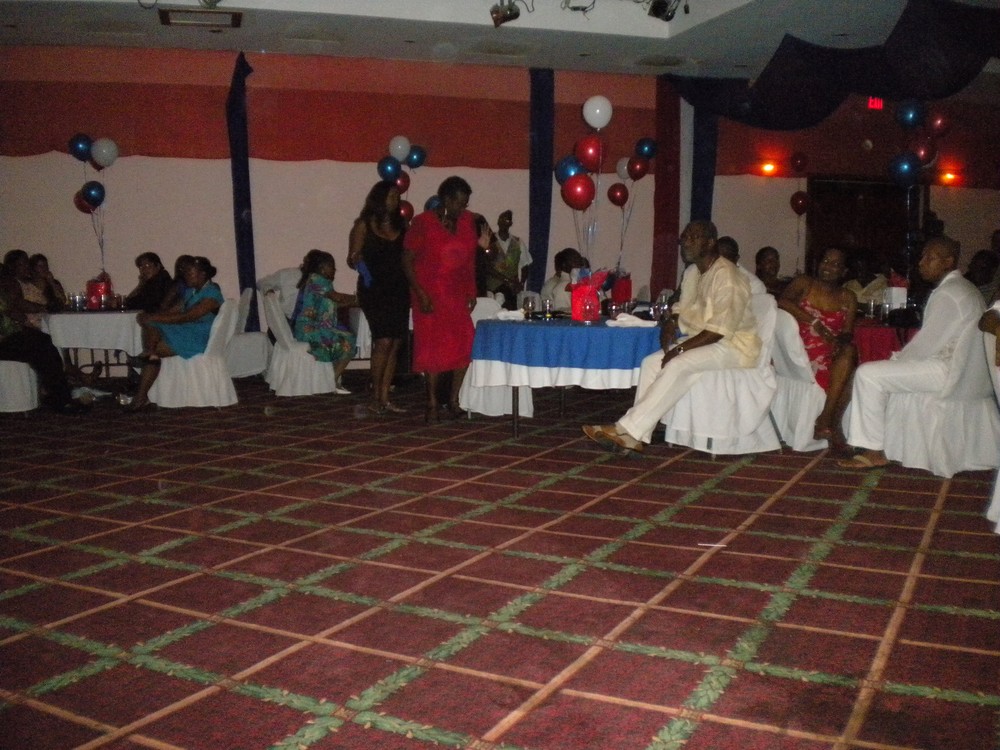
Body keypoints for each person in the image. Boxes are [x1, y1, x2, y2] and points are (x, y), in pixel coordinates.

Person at [583, 220, 759, 454]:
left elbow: (719, 330)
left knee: (677, 363)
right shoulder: (693, 272)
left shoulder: (728, 277)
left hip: (734, 345)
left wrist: (679, 349)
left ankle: (626, 429)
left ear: (710, 243)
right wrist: (671, 321)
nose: (686, 242)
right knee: (650, 363)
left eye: (693, 237)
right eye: (684, 237)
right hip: (704, 339)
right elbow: (681, 307)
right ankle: (637, 436)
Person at [839, 235, 983, 469]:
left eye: (930, 258)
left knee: (868, 374)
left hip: (948, 369)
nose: (921, 262)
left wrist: (896, 360)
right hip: (963, 369)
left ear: (948, 262)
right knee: (877, 371)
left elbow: (927, 344)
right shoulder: (963, 288)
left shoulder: (949, 293)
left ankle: (873, 450)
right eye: (922, 256)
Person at [403, 175, 491, 422]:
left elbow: (469, 260)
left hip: (456, 294)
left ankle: (454, 400)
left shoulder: (466, 221)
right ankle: (432, 403)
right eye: (459, 203)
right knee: (432, 350)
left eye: (465, 203)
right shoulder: (423, 223)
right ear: (445, 199)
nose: (462, 208)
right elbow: (407, 261)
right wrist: (420, 293)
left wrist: (472, 290)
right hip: (429, 294)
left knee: (465, 345)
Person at [778, 247, 858, 441]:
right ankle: (830, 424)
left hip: (830, 348)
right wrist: (815, 323)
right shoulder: (804, 283)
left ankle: (825, 420)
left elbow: (847, 332)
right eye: (825, 261)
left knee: (850, 356)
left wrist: (839, 341)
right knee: (848, 369)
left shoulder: (848, 297)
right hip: (800, 349)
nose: (828, 267)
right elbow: (782, 302)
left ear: (844, 271)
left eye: (835, 264)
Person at [128, 256, 224, 411]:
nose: (186, 276)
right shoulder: (192, 291)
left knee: (153, 338)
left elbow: (188, 316)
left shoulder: (212, 294)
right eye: (185, 273)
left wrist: (153, 318)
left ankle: (141, 393)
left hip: (200, 336)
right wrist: (151, 317)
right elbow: (174, 310)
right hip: (187, 330)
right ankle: (149, 355)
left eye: (190, 273)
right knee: (151, 326)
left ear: (203, 274)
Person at [347, 181, 410, 414]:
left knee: (395, 342)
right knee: (382, 341)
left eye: (397, 196)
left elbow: (409, 256)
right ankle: (375, 397)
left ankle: (385, 397)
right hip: (374, 289)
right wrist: (357, 260)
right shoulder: (364, 225)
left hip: (399, 289)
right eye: (391, 196)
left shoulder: (402, 225)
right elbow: (352, 258)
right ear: (379, 198)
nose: (395, 200)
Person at [293, 250, 357, 394]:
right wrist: (360, 299)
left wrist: (355, 302)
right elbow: (337, 297)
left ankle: (330, 380)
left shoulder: (316, 280)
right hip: (309, 329)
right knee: (349, 339)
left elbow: (334, 303)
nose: (335, 270)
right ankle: (332, 381)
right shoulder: (318, 280)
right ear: (323, 268)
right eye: (332, 267)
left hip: (312, 327)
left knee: (344, 335)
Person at [484, 209, 531, 307]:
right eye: (501, 219)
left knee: (511, 311)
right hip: (493, 288)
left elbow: (525, 265)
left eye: (507, 220)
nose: (504, 222)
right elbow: (486, 266)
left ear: (511, 223)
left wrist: (522, 283)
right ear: (498, 222)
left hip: (512, 289)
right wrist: (506, 281)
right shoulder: (490, 241)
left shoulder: (518, 242)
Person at [1, 249, 48, 328]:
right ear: (13, 266)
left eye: (27, 262)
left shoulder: (30, 282)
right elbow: (18, 303)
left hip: (45, 322)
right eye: (23, 263)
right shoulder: (10, 283)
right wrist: (44, 308)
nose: (27, 266)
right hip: (30, 327)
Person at [540, 247, 586, 312]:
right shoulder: (563, 287)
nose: (580, 264)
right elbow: (564, 315)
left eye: (580, 261)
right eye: (575, 261)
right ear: (564, 265)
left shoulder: (556, 282)